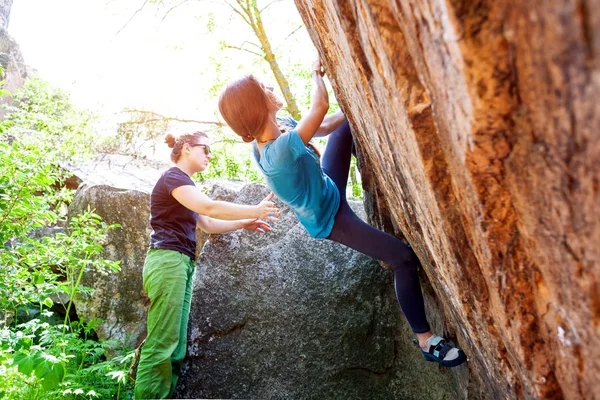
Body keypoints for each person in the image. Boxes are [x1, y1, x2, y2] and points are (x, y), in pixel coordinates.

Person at [217, 60, 467, 368]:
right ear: (257, 104)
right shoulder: (276, 151)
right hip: (330, 219)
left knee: (347, 124)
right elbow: (319, 108)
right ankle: (426, 341)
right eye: (263, 88)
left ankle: (376, 173)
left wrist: (355, 109)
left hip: (328, 186)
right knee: (402, 257)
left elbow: (322, 127)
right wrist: (314, 75)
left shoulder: (277, 126)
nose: (270, 87)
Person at [134, 131, 279, 399]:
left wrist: (244, 223)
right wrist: (253, 210)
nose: (210, 155)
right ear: (187, 148)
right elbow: (209, 208)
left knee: (175, 348)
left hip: (181, 263)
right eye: (206, 149)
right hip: (167, 261)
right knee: (162, 344)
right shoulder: (173, 177)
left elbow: (208, 224)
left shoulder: (185, 186)